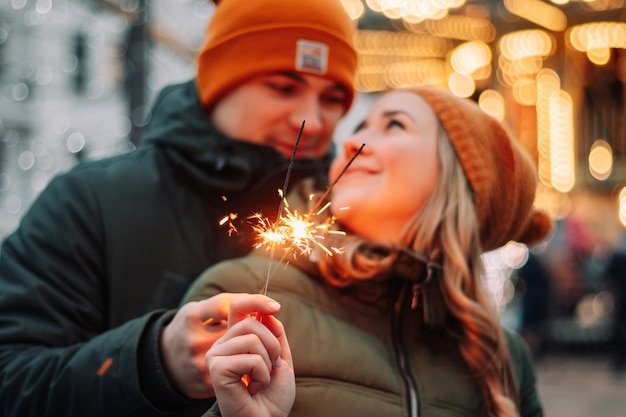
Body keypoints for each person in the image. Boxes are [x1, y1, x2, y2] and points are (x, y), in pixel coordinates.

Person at [0, 0, 357, 415]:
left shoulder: (347, 223)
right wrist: (154, 362)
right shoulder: (91, 201)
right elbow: (10, 380)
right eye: (283, 87)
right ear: (219, 82)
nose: (311, 120)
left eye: (332, 98)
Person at [185, 86, 554, 417]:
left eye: (395, 125)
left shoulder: (503, 356)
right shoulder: (240, 298)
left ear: (461, 179)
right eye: (359, 127)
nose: (352, 143)